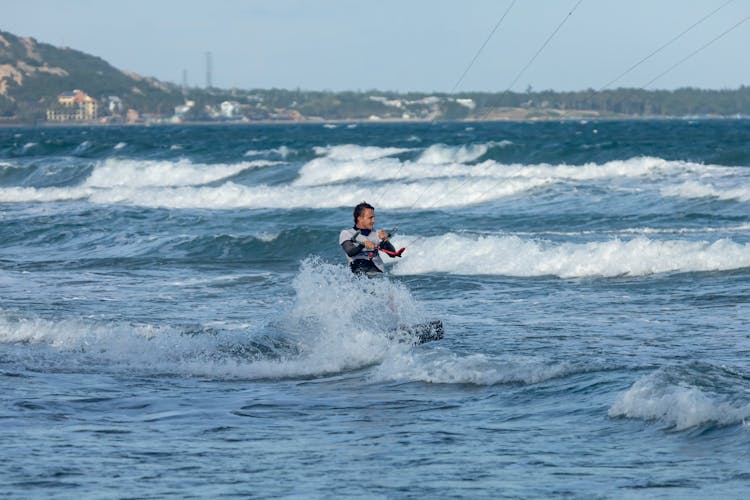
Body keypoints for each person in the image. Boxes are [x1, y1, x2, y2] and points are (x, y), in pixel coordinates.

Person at [340, 201, 398, 275]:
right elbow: (350, 252)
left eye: (374, 217)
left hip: (379, 274)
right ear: (360, 218)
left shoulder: (378, 233)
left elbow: (392, 254)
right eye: (370, 218)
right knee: (359, 263)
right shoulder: (347, 233)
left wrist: (385, 241)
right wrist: (363, 245)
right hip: (359, 271)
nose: (374, 220)